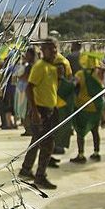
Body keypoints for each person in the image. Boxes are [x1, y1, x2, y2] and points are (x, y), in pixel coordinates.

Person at [19, 38, 70, 190]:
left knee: (37, 140)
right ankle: (40, 177)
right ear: (43, 50)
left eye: (55, 50)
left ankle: (26, 169)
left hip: (50, 109)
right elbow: (29, 88)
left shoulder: (52, 67)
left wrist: (60, 75)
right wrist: (34, 112)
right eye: (51, 50)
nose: (54, 53)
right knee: (47, 145)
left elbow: (53, 87)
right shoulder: (40, 66)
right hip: (40, 110)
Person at [69, 52, 104, 163]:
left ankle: (81, 155)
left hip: (84, 106)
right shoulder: (100, 74)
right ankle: (96, 153)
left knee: (80, 131)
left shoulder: (80, 74)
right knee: (95, 131)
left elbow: (73, 85)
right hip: (97, 106)